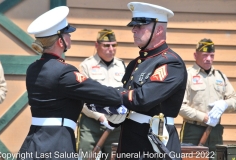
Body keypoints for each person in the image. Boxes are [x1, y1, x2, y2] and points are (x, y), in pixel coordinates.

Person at [17, 6, 123, 160]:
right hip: (57, 145)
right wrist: (126, 94)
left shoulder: (33, 68)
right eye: (67, 33)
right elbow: (103, 94)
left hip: (33, 143)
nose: (70, 37)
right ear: (60, 41)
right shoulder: (64, 72)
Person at [88, 2, 188, 160]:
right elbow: (127, 101)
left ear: (159, 29)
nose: (134, 29)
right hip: (131, 139)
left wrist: (105, 93)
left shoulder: (170, 63)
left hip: (155, 144)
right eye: (133, 26)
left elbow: (143, 98)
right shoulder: (136, 63)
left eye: (140, 26)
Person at [179, 38, 236, 156]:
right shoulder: (187, 75)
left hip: (215, 131)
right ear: (195, 55)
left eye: (211, 55)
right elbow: (180, 106)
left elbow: (234, 100)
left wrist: (225, 104)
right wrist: (203, 117)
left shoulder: (220, 76)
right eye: (205, 55)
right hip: (193, 130)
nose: (209, 59)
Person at [76, 29, 125, 160]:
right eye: (106, 45)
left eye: (114, 45)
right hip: (92, 123)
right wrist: (101, 118)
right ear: (96, 45)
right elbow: (81, 98)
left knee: (115, 156)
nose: (111, 49)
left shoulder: (121, 65)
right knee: (86, 156)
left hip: (116, 124)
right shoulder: (86, 65)